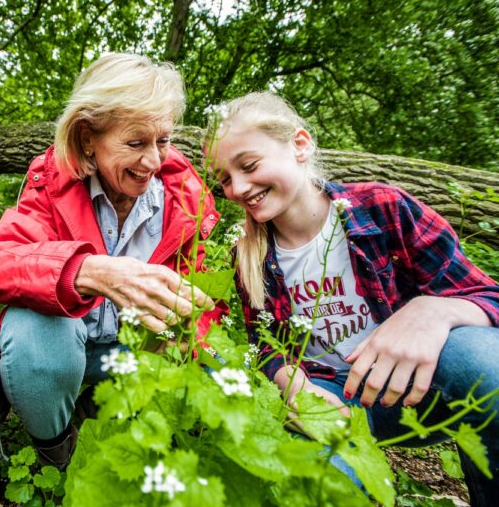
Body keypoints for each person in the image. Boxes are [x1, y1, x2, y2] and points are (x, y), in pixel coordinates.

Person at [206, 91, 499, 505]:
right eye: (223, 178)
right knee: (320, 488)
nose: (237, 188)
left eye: (249, 166)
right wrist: (288, 381)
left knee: (487, 362)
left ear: (300, 145)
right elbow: (264, 345)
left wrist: (433, 309)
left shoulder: (384, 207)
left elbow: (488, 296)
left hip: (419, 386)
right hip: (333, 400)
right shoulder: (248, 255)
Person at [0, 53, 221, 472]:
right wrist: (87, 271)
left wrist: (189, 331)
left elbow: (201, 293)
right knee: (33, 332)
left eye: (163, 141)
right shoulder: (52, 184)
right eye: (135, 143)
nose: (154, 163)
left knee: (212, 369)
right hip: (70, 347)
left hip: (136, 353)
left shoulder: (183, 201)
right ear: (88, 137)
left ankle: (97, 416)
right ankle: (57, 457)